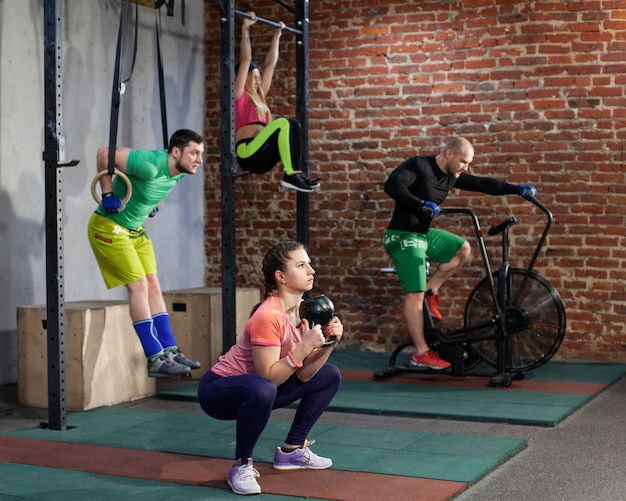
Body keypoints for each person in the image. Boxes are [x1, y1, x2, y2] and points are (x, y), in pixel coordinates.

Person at [197, 240, 343, 496]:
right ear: (281, 277)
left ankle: (292, 451)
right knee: (263, 388)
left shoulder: (303, 313)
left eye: (309, 264)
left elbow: (305, 374)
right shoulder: (268, 315)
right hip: (218, 391)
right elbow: (268, 377)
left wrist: (329, 343)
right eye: (301, 265)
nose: (311, 271)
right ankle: (242, 465)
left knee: (329, 375)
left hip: (260, 390)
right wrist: (303, 347)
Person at [383, 137, 537, 370]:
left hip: (423, 235)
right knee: (414, 293)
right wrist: (420, 203)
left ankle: (431, 291)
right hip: (402, 236)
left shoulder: (451, 176)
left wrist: (518, 190)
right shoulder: (420, 165)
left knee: (461, 249)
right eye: (464, 162)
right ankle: (421, 352)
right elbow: (392, 185)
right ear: (448, 155)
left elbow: (483, 184)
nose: (466, 168)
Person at [87, 129, 205, 378]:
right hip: (109, 227)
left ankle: (170, 350)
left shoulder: (181, 173)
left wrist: (147, 206)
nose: (199, 160)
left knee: (152, 284)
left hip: (135, 230)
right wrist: (107, 194)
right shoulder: (150, 165)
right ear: (175, 152)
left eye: (201, 154)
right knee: (139, 285)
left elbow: (148, 189)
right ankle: (154, 357)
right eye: (194, 153)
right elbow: (104, 153)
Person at [235, 11, 320, 193]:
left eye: (259, 78)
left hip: (263, 155)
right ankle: (290, 174)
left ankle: (296, 173)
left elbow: (270, 65)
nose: (258, 81)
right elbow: (245, 59)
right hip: (247, 153)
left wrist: (277, 36)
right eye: (254, 78)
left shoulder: (261, 97)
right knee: (283, 123)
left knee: (295, 125)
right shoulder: (240, 96)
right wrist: (245, 28)